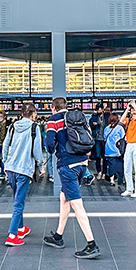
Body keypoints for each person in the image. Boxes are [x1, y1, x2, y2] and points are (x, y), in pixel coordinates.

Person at [43, 98, 101, 259]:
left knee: (77, 205)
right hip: (82, 165)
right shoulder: (76, 117)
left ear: (53, 108)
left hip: (68, 167)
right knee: (64, 199)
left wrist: (52, 146)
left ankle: (92, 244)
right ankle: (58, 237)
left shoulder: (54, 120)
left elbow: (48, 144)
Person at [2, 102, 46, 246]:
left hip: (11, 168)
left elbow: (5, 145)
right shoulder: (35, 128)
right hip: (23, 169)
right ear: (33, 114)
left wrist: (5, 162)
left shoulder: (12, 126)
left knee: (17, 198)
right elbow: (37, 150)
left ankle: (20, 228)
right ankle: (12, 235)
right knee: (19, 204)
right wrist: (41, 166)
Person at [119, 101, 136, 198]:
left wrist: (135, 107)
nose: (133, 110)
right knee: (127, 167)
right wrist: (127, 109)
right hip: (129, 143)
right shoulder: (129, 120)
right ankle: (129, 188)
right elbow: (121, 121)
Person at [103, 113, 125, 186]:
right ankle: (120, 180)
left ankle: (112, 180)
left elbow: (104, 138)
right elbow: (123, 138)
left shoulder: (107, 128)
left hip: (108, 150)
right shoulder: (119, 128)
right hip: (117, 150)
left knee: (111, 166)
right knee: (119, 166)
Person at [88, 105, 107, 179]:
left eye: (100, 110)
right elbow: (90, 126)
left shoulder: (106, 117)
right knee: (98, 156)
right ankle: (99, 172)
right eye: (97, 110)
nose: (99, 111)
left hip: (105, 139)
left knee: (105, 157)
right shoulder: (94, 117)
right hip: (97, 139)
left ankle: (104, 173)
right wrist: (93, 125)